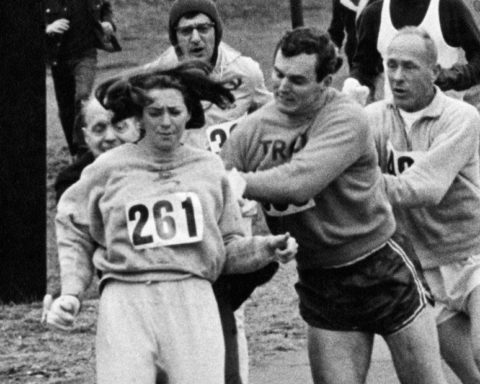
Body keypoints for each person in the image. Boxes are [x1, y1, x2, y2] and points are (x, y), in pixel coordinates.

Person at [44, 61, 298, 384]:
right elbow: (73, 225)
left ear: (188, 114)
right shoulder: (107, 170)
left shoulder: (208, 169)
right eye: (155, 112)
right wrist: (72, 290)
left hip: (192, 297)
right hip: (126, 299)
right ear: (139, 117)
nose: (166, 122)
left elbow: (227, 248)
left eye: (174, 112)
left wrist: (266, 248)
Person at [221, 27, 449, 384]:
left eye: (297, 80)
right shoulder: (250, 132)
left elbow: (301, 182)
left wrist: (238, 183)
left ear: (325, 80)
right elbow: (210, 183)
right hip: (320, 277)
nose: (282, 86)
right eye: (278, 74)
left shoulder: (346, 117)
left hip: (380, 265)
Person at [146, 1, 274, 382]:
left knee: (232, 308)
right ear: (175, 37)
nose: (196, 38)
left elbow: (271, 117)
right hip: (183, 208)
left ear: (218, 30)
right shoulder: (159, 73)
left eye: (204, 28)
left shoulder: (244, 72)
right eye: (186, 31)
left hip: (233, 206)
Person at [366, 26, 480, 383]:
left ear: (434, 72)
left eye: (410, 67)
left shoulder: (461, 117)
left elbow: (425, 188)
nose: (397, 77)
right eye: (391, 65)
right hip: (425, 266)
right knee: (470, 375)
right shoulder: (373, 119)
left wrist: (356, 185)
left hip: (473, 254)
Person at [342, 0, 480, 106]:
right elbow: (364, 66)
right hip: (396, 119)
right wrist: (354, 83)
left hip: (445, 119)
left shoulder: (448, 8)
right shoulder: (374, 12)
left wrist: (453, 77)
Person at [45, 0, 121, 157]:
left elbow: (106, 7)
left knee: (82, 96)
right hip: (58, 59)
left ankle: (83, 150)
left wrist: (108, 24)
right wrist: (48, 28)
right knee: (66, 108)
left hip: (86, 55)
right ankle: (74, 153)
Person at [54, 97, 141, 202]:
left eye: (119, 127)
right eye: (99, 129)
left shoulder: (159, 167)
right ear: (87, 137)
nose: (110, 137)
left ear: (137, 129)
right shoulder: (72, 183)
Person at [327, 0, 372, 68]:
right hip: (354, 55)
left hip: (380, 55)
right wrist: (333, 50)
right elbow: (336, 30)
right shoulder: (341, 1)